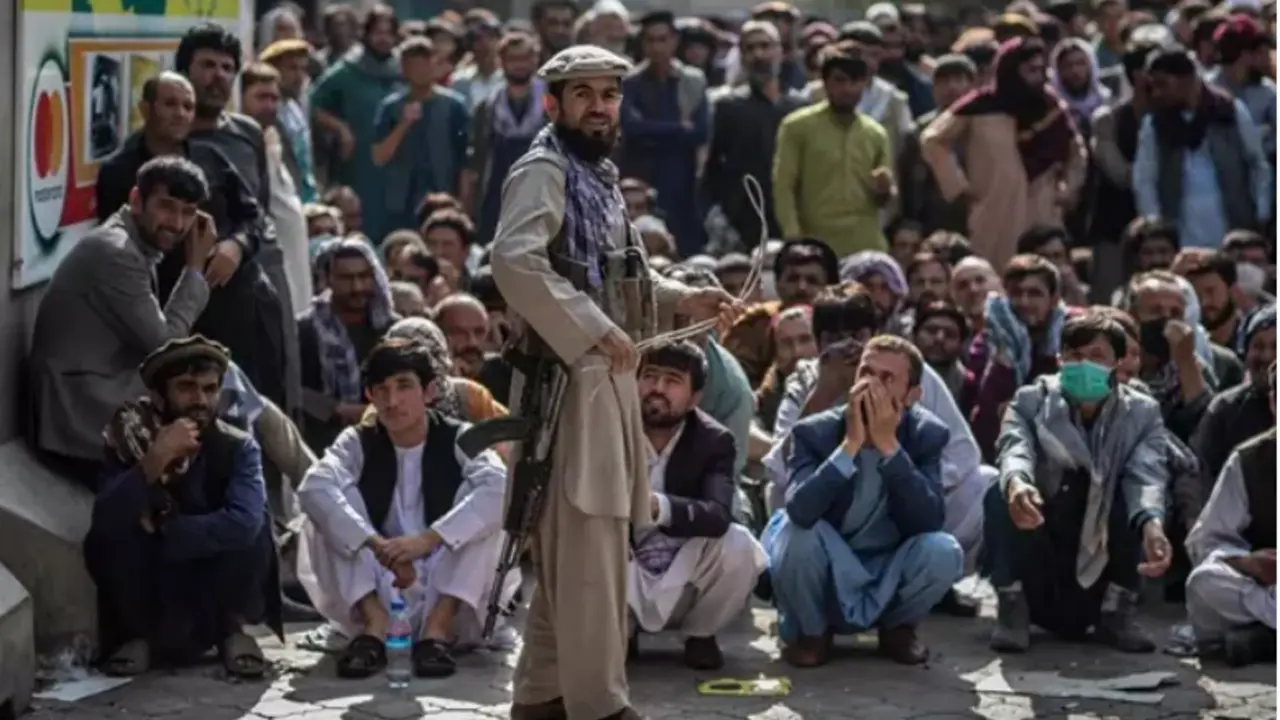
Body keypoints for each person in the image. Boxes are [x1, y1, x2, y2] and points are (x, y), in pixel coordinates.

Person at [489, 45, 738, 720]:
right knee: (592, 554)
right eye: (584, 94)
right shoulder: (543, 169)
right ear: (554, 103)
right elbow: (513, 262)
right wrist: (592, 328)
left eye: (609, 93)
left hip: (605, 383)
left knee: (575, 559)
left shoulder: (595, 176)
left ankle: (541, 698)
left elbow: (619, 277)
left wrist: (684, 299)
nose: (599, 107)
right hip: (567, 388)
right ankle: (600, 706)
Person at [297, 339, 512, 679]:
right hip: (378, 577)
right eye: (381, 390)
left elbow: (500, 489)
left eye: (404, 387)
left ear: (428, 392)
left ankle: (437, 632)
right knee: (328, 503)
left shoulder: (460, 438)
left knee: (487, 508)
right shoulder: (357, 441)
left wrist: (428, 540)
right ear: (369, 396)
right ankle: (374, 626)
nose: (392, 401)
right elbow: (313, 487)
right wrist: (375, 544)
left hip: (447, 579)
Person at [85, 336, 280, 678]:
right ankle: (136, 636)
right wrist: (155, 460)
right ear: (161, 396)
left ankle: (233, 630)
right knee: (113, 532)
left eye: (209, 389)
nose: (200, 400)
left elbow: (244, 523)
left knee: (258, 522)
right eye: (187, 388)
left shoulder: (238, 447)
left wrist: (165, 530)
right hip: (153, 586)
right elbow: (106, 520)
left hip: (212, 579)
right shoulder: (131, 439)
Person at [764, 335, 963, 667]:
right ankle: (813, 634)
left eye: (888, 379)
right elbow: (800, 509)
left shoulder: (927, 434)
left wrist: (889, 447)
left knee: (942, 550)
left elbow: (929, 520)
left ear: (913, 395)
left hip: (887, 561)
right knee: (793, 532)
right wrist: (850, 446)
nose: (873, 386)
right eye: (866, 373)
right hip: (829, 559)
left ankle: (898, 630)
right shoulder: (815, 432)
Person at [985, 313, 1171, 654]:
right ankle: (1012, 607)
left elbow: (1147, 474)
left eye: (1097, 356)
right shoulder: (1031, 401)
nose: (1084, 364)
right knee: (1000, 493)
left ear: (1117, 364)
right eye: (1074, 355)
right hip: (1042, 545)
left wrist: (1152, 525)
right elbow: (1014, 446)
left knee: (1131, 500)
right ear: (1060, 361)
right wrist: (1018, 483)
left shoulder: (1142, 413)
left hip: (1100, 561)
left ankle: (1117, 613)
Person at [30, 157, 214, 485]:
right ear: (135, 200)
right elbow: (165, 348)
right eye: (167, 207)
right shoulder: (117, 252)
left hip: (105, 386)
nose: (176, 223)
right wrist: (195, 270)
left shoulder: (136, 243)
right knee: (221, 391)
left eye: (188, 212)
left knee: (221, 387)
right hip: (80, 406)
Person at [627, 342, 766, 670]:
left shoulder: (713, 440)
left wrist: (659, 507)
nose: (657, 389)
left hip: (684, 563)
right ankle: (621, 632)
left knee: (739, 545)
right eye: (649, 377)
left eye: (673, 381)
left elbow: (718, 514)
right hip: (624, 560)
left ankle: (701, 635)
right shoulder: (612, 430)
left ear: (694, 399)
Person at [920, 36, 1087, 273]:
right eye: (1030, 70)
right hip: (992, 210)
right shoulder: (980, 105)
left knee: (1041, 278)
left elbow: (1076, 151)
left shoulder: (1050, 106)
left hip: (1042, 209)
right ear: (1010, 70)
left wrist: (1068, 190)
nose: (1037, 77)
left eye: (1041, 70)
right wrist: (959, 188)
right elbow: (933, 140)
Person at [1185, 363, 1276, 667]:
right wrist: (1248, 563)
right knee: (1206, 582)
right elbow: (1207, 541)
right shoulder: (1250, 459)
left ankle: (1266, 640)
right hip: (1272, 588)